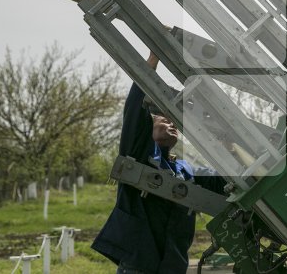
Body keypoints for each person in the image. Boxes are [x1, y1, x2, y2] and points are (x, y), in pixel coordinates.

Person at [92, 52, 225, 274]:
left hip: (173, 267)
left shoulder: (185, 171)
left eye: (174, 122)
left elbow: (224, 181)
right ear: (148, 127)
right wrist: (154, 58)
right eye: (164, 119)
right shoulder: (137, 154)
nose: (172, 124)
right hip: (139, 266)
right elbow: (135, 109)